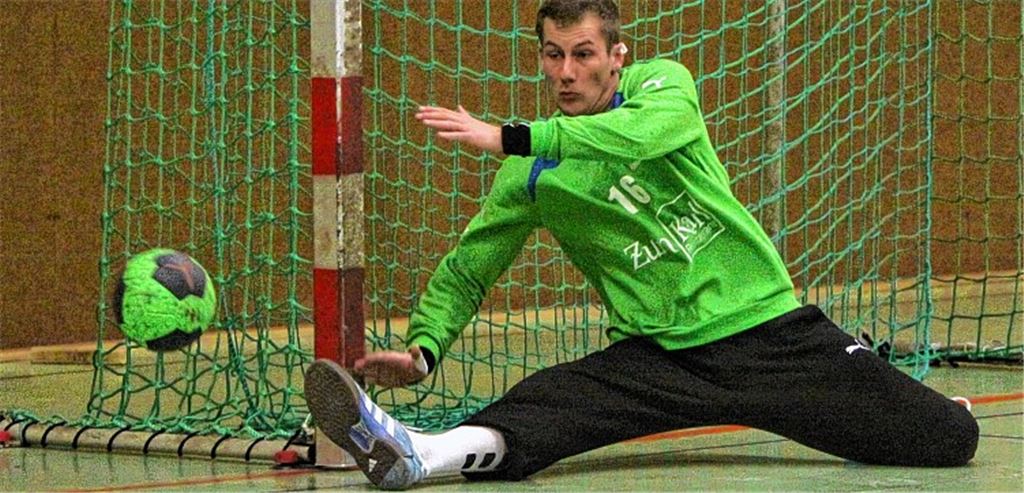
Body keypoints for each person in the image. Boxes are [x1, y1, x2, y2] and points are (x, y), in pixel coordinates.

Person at [304, 0, 979, 489]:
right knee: (544, 404)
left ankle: (899, 393)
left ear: (617, 56)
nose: (566, 72)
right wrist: (425, 348)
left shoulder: (665, 87)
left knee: (953, 439)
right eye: (552, 54)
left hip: (768, 334)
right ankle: (419, 453)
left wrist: (512, 135)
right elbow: (470, 266)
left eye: (583, 54)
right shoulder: (534, 172)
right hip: (658, 358)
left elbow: (635, 138)